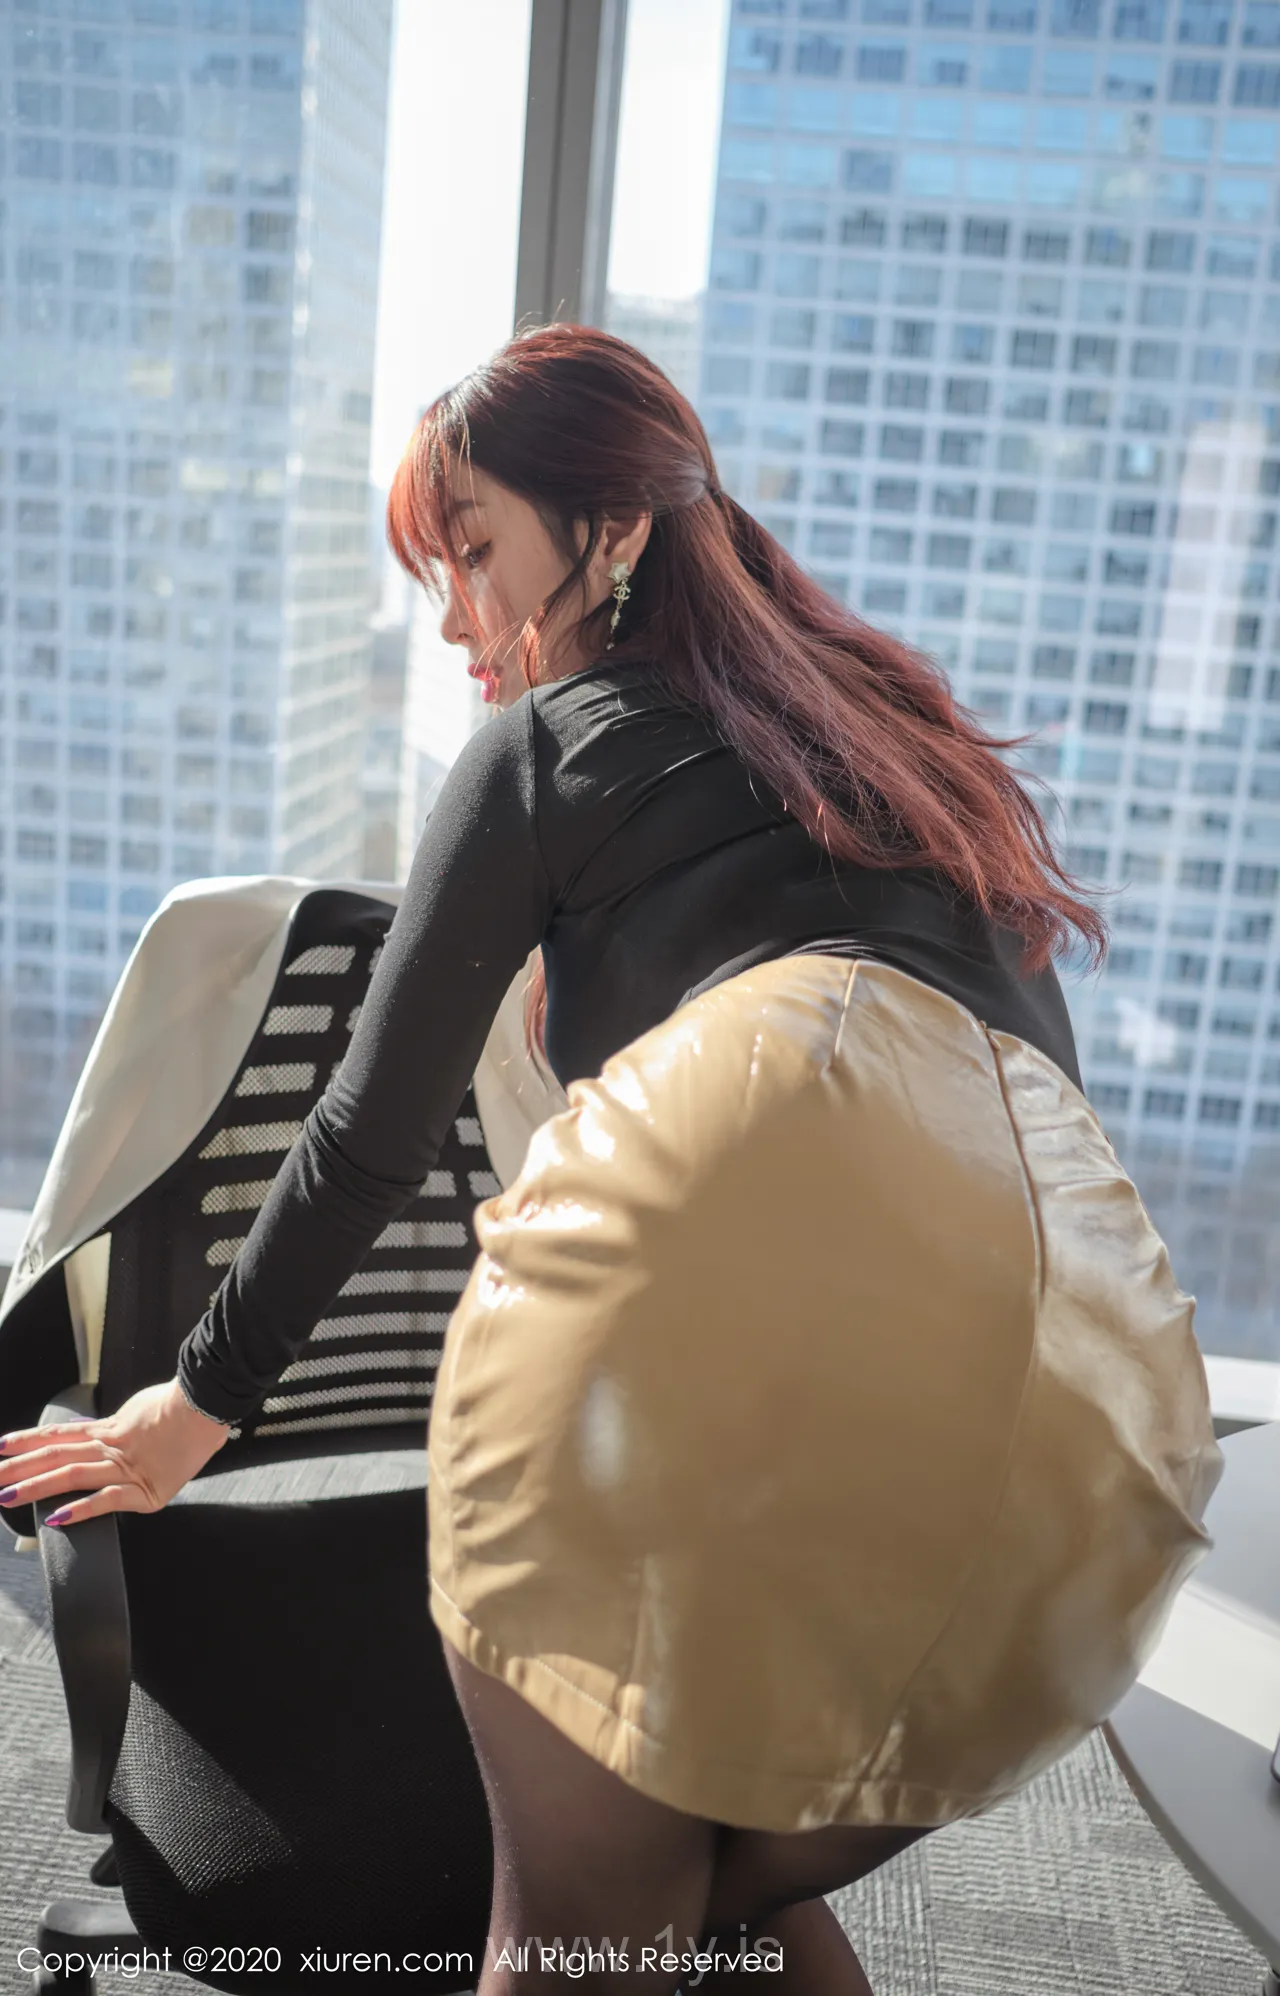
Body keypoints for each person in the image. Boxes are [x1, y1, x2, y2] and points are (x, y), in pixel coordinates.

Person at [0, 325, 1222, 1995]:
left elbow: (366, 1138)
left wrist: (187, 1412)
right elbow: (1012, 1090)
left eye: (474, 553)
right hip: (1063, 1401)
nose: (455, 619)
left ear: (616, 529)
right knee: (715, 1904)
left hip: (689, 1341)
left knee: (575, 1935)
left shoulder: (553, 745)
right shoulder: (887, 732)